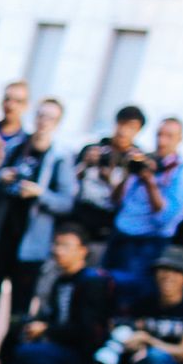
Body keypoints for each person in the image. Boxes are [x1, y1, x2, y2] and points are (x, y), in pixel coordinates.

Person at [0, 98, 78, 364]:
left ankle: (8, 360)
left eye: (50, 117)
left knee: (19, 308)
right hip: (1, 236)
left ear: (57, 123)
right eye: (41, 115)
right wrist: (4, 178)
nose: (44, 121)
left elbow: (67, 201)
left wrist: (40, 194)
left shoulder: (60, 158)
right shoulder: (16, 148)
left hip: (31, 245)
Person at [0, 224, 113, 364]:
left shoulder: (91, 282)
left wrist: (47, 330)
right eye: (57, 244)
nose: (58, 250)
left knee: (27, 353)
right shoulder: (61, 280)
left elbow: (87, 330)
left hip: (79, 352)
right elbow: (52, 315)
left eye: (65, 246)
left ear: (82, 251)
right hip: (57, 345)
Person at [104, 117, 183, 299]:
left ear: (180, 139)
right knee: (104, 290)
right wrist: (129, 172)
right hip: (120, 235)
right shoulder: (145, 161)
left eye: (169, 136)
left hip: (147, 243)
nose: (162, 141)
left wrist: (150, 183)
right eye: (159, 135)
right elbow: (115, 201)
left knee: (129, 296)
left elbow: (165, 218)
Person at [71, 105, 146, 258]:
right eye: (121, 124)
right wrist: (86, 164)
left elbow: (127, 200)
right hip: (78, 217)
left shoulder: (136, 161)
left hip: (106, 227)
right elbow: (69, 183)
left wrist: (111, 180)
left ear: (138, 131)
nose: (123, 131)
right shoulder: (93, 148)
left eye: (131, 127)